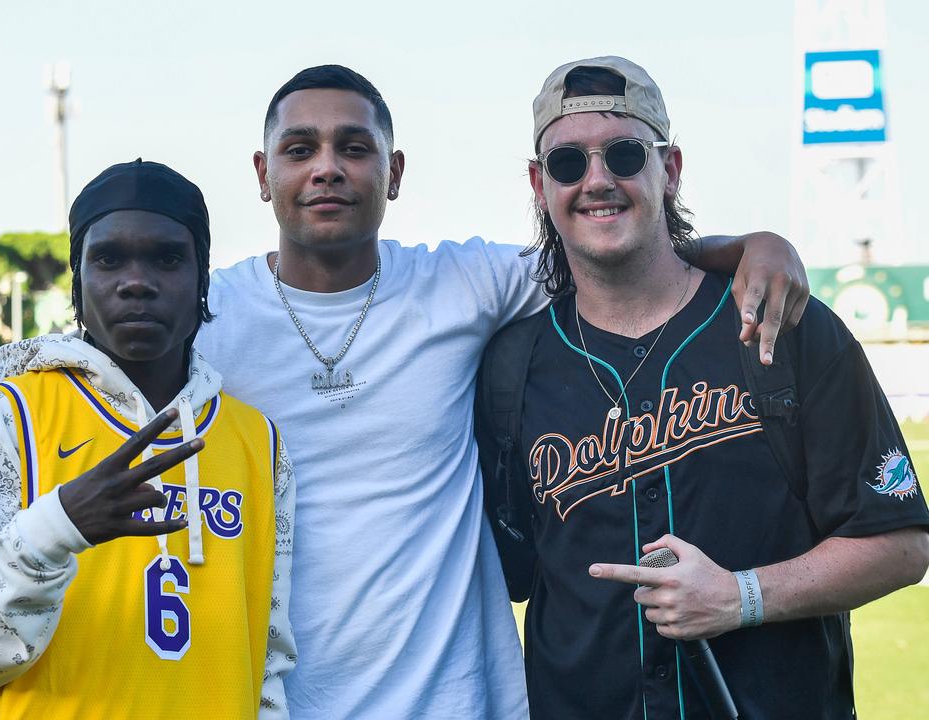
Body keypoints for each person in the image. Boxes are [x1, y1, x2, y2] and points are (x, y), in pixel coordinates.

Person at [194, 64, 811, 719]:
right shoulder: (205, 319)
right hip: (277, 702)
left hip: (461, 701)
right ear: (263, 175)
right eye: (299, 149)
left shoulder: (463, 284)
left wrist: (751, 245)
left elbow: (614, 253)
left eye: (354, 147)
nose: (326, 168)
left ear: (394, 172)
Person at [478, 56, 929, 719]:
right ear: (540, 183)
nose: (597, 180)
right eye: (569, 164)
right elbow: (515, 573)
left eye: (625, 155)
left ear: (672, 168)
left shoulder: (782, 321)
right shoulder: (510, 366)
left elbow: (901, 543)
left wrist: (742, 595)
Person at [0, 160, 295, 719]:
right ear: (77, 282)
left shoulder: (257, 440)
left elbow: (268, 665)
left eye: (168, 258)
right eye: (108, 259)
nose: (136, 281)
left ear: (202, 279)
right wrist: (52, 531)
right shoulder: (14, 415)